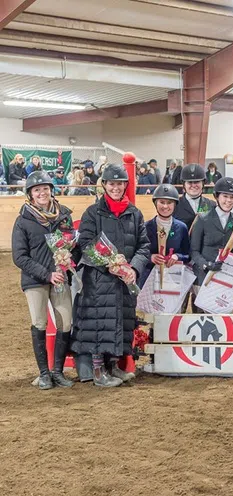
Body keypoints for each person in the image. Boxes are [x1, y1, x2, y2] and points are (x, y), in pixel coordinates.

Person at [71, 164, 150, 387]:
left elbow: (144, 246)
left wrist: (133, 268)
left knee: (120, 322)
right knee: (98, 323)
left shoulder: (135, 213)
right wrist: (109, 265)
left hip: (125, 279)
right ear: (104, 185)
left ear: (126, 185)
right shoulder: (92, 213)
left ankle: (114, 365)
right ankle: (98, 370)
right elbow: (86, 244)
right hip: (99, 279)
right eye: (112, 183)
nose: (116, 187)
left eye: (120, 183)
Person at [11, 171, 76, 390]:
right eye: (37, 190)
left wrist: (68, 258)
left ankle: (57, 371)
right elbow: (19, 256)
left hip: (60, 277)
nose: (42, 193)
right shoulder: (23, 221)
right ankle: (44, 373)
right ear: (30, 194)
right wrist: (46, 274)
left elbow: (70, 243)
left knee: (65, 322)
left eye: (45, 189)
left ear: (51, 190)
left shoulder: (64, 215)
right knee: (39, 323)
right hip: (35, 280)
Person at [190, 177, 233, 311]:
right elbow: (194, 251)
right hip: (204, 276)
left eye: (232, 197)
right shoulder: (203, 219)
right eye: (225, 196)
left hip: (226, 278)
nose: (228, 201)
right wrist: (206, 264)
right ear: (217, 196)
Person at [139, 184, 190, 287]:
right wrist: (151, 257)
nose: (165, 206)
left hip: (172, 279)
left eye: (169, 203)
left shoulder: (181, 227)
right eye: (162, 202)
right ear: (155, 203)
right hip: (148, 278)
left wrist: (177, 256)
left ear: (175, 205)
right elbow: (138, 252)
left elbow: (188, 254)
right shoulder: (145, 227)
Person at [173, 164, 215, 230]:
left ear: (203, 183)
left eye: (197, 182)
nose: (193, 185)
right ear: (184, 184)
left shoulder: (212, 205)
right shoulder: (175, 205)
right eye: (189, 182)